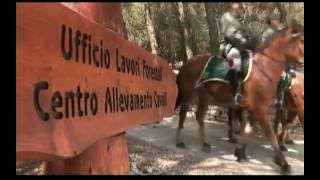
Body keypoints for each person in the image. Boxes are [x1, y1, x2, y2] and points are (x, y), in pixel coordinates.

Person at [219, 3, 249, 106]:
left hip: (240, 46)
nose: (239, 5)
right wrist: (242, 39)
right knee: (236, 59)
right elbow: (230, 34)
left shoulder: (238, 18)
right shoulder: (226, 17)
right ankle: (236, 94)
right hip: (228, 45)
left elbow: (243, 33)